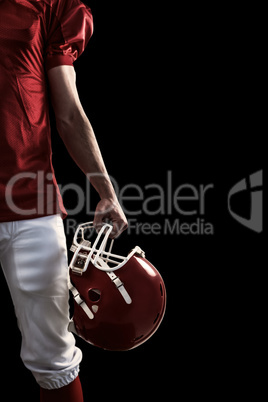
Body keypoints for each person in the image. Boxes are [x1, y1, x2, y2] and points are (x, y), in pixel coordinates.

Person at [0, 0, 127, 400]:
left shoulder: (50, 6)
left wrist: (106, 190)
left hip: (28, 201)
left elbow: (68, 111)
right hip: (28, 202)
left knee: (54, 357)